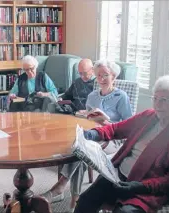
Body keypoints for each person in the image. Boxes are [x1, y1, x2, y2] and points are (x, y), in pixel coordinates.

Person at [74, 75, 169, 213]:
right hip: (118, 177)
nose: (157, 104)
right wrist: (93, 134)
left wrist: (138, 186)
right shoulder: (149, 116)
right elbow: (116, 128)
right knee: (86, 200)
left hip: (146, 189)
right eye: (155, 98)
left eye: (164, 100)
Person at [41, 60, 133, 210]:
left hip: (112, 139)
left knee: (84, 148)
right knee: (80, 147)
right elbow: (89, 120)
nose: (102, 79)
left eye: (105, 75)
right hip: (94, 135)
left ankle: (62, 186)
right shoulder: (92, 96)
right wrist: (85, 116)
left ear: (114, 76)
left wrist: (107, 124)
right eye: (98, 76)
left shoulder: (121, 96)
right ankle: (75, 197)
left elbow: (129, 126)